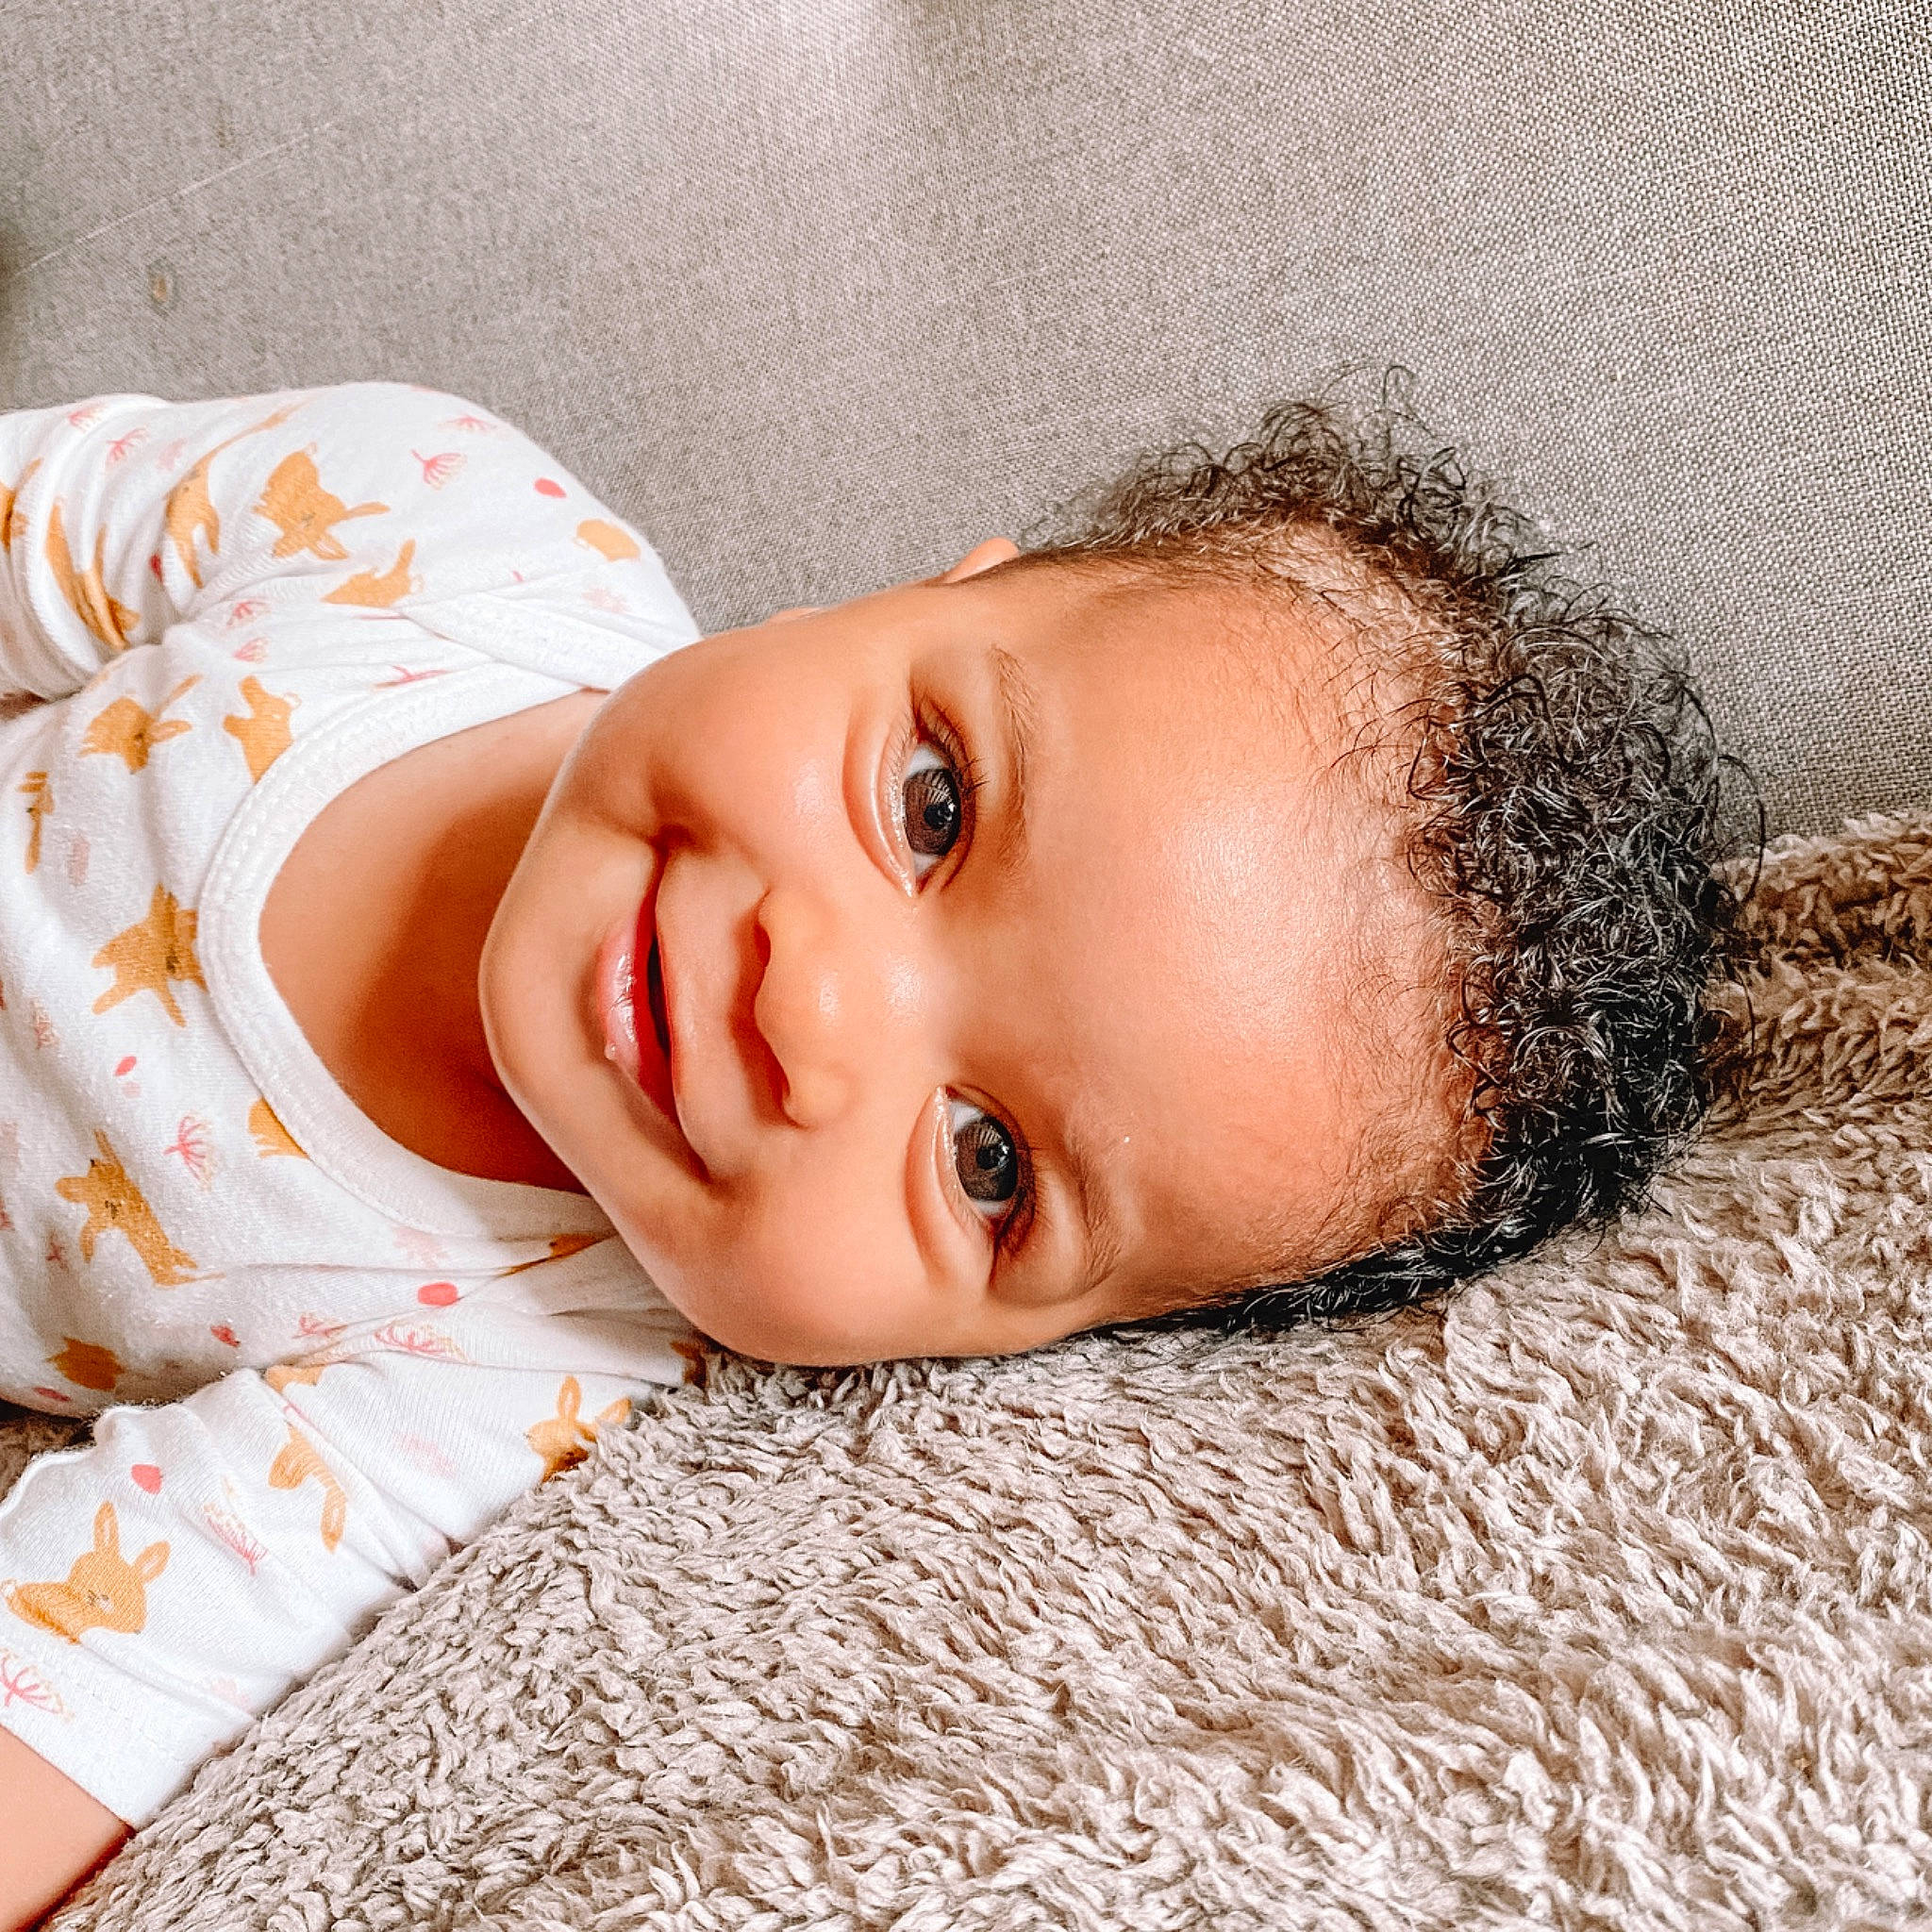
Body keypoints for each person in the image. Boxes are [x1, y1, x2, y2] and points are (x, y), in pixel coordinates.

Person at [0, 377, 1742, 1920]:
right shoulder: (431, 526)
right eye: (935, 808)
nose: (810, 1009)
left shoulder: (500, 1376)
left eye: (990, 1163)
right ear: (939, 586)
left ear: (1029, 1353)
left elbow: (69, 1695)